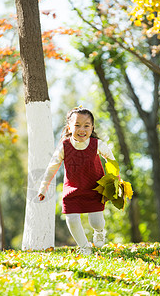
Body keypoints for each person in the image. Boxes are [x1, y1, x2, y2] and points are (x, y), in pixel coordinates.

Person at [38, 107, 116, 255]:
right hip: (72, 189)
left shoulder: (97, 144)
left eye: (86, 125)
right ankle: (84, 246)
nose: (82, 129)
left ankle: (99, 232)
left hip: (95, 189)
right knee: (72, 220)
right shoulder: (64, 146)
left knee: (96, 222)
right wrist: (43, 187)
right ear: (69, 127)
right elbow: (52, 167)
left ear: (92, 128)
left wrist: (115, 178)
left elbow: (110, 159)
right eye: (77, 125)